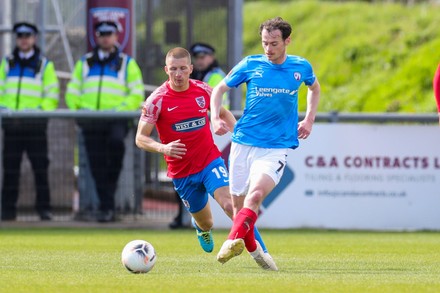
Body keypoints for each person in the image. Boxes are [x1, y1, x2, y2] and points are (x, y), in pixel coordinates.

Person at [136, 48, 275, 270]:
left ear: (191, 69)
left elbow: (224, 113)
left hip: (210, 162)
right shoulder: (157, 100)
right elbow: (140, 138)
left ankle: (262, 254)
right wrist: (164, 148)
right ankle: (201, 228)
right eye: (173, 69)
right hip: (182, 173)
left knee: (232, 206)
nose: (178, 74)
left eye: (183, 68)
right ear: (166, 70)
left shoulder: (203, 91)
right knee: (206, 221)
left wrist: (239, 135)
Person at [210, 17, 321, 270]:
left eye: (273, 43)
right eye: (264, 43)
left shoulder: (300, 67)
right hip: (243, 143)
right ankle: (258, 254)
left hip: (276, 147)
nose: (268, 49)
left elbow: (314, 89)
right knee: (238, 211)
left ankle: (230, 242)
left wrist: (309, 119)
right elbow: (218, 90)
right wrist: (215, 117)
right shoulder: (251, 64)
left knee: (256, 195)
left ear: (287, 41)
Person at [66, 20, 144, 222]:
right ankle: (106, 207)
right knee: (96, 165)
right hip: (91, 120)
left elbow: (136, 93)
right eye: (102, 34)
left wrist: (118, 110)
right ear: (97, 37)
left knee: (115, 150)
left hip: (116, 119)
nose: (106, 38)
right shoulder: (85, 62)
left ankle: (107, 204)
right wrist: (80, 110)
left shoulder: (127, 63)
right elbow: (73, 90)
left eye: (109, 34)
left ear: (116, 36)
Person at [0, 22, 59, 221]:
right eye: (20, 36)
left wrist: (39, 112)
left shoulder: (43, 64)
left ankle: (44, 209)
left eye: (27, 36)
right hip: (12, 124)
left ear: (34, 39)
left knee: (40, 168)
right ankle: (7, 210)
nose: (24, 40)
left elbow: (51, 94)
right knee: (10, 168)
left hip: (34, 124)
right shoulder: (7, 62)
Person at [168, 43, 228, 229]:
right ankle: (192, 219)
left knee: (227, 202)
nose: (201, 60)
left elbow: (218, 106)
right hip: (183, 154)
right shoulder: (188, 79)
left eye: (204, 57)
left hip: (211, 139)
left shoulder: (214, 77)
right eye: (198, 57)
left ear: (211, 57)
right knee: (205, 220)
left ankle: (258, 249)